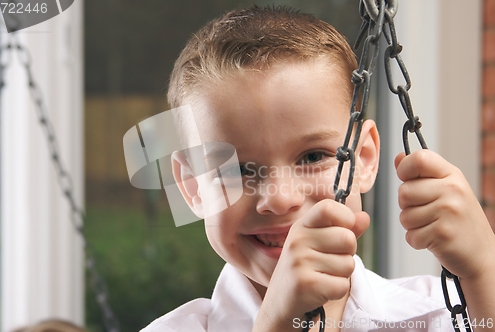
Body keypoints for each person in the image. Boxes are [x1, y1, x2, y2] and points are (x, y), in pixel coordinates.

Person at [141, 5, 495, 332]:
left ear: (365, 158)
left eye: (312, 158)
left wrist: (483, 268)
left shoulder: (441, 313)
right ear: (192, 186)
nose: (279, 199)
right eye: (237, 170)